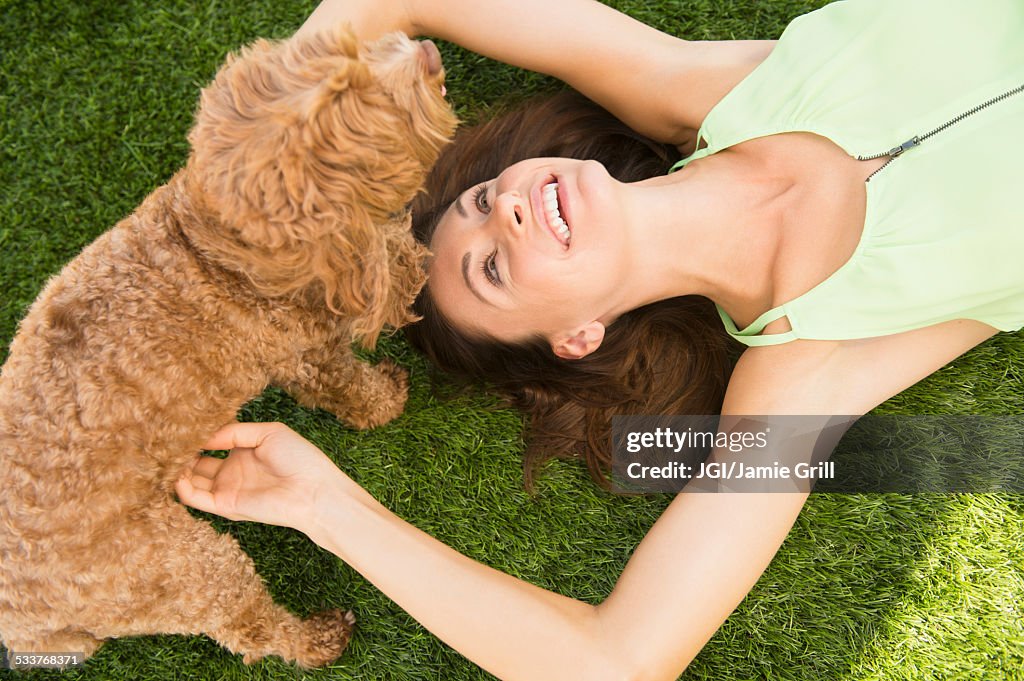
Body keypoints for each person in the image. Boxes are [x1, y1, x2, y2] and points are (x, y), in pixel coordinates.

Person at [175, 0, 1024, 678]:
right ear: (578, 336)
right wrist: (327, 507)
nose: (503, 211)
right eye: (493, 271)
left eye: (479, 203)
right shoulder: (805, 374)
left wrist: (244, 173)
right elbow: (617, 661)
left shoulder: (711, 87)